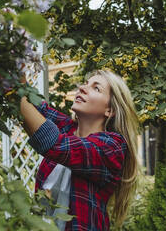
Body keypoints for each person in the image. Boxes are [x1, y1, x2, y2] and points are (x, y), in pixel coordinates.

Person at [19, 70, 140, 230]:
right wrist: (17, 77)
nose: (82, 88)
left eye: (96, 88)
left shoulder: (112, 146)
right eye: (85, 83)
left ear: (109, 111)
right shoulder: (68, 128)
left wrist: (14, 95)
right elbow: (36, 107)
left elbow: (54, 144)